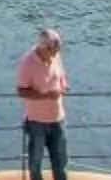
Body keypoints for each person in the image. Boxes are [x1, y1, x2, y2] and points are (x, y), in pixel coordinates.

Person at [15, 28, 70, 180]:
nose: (57, 52)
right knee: (35, 164)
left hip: (58, 119)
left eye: (58, 48)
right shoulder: (27, 63)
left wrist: (64, 87)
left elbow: (62, 77)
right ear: (43, 47)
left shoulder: (56, 56)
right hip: (36, 122)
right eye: (54, 48)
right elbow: (22, 91)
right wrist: (46, 95)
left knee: (61, 162)